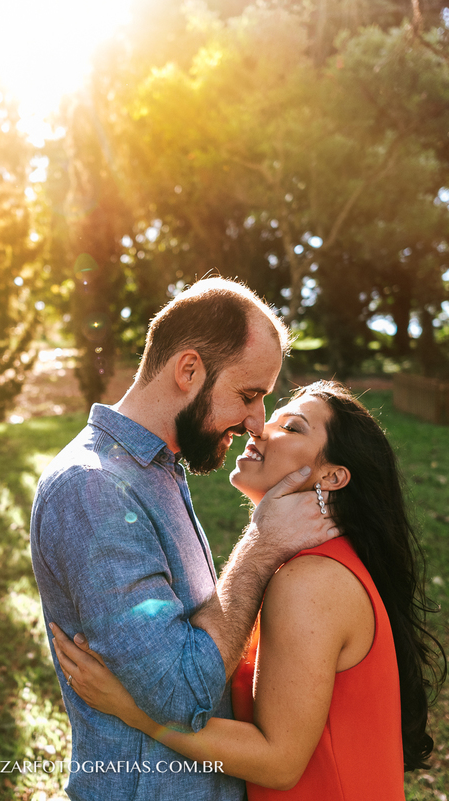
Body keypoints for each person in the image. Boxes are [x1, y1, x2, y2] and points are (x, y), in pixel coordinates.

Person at [52, 381, 446, 800]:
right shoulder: (307, 563)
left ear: (332, 476)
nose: (258, 428)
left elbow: (279, 762)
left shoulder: (312, 580)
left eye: (291, 427)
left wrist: (134, 710)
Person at [30, 278, 339, 801]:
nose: (256, 423)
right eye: (248, 395)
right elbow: (180, 694)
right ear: (189, 370)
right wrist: (260, 546)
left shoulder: (157, 468)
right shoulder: (93, 488)